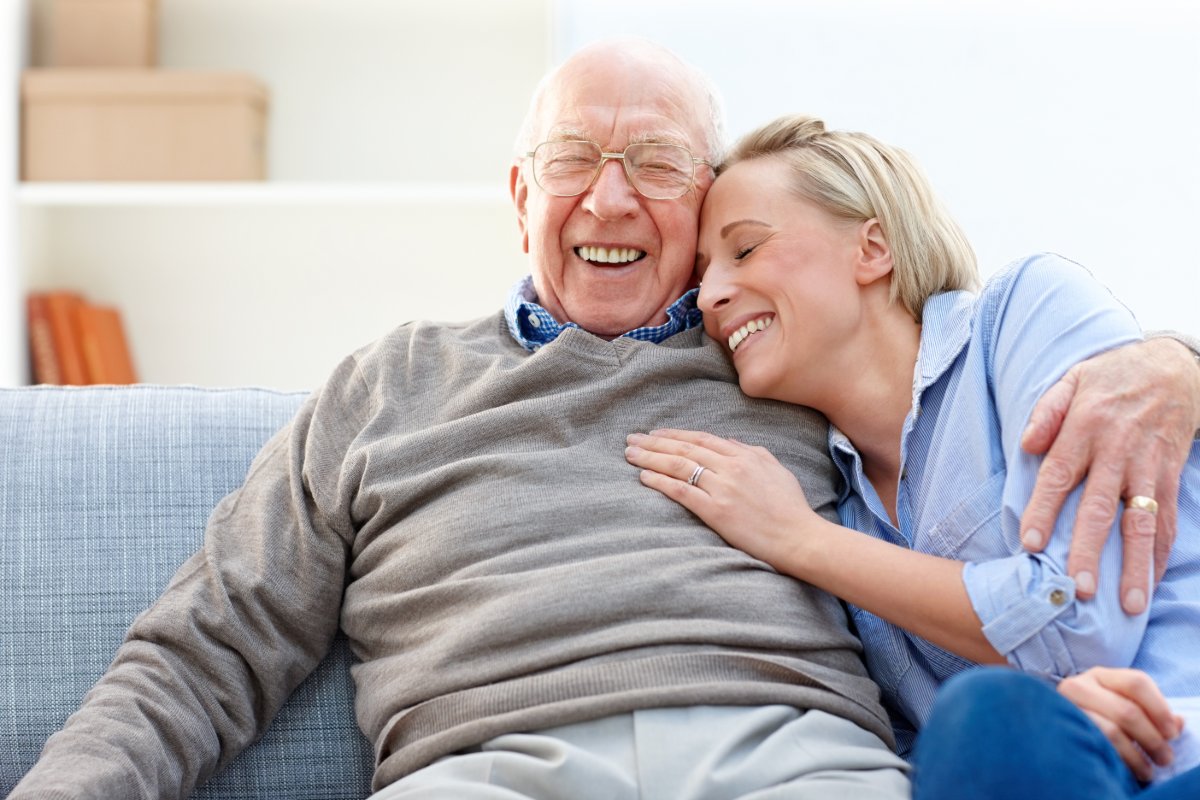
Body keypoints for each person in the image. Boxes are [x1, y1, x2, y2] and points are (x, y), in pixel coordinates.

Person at [12, 41, 1200, 799]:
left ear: (705, 206)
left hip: (794, 758)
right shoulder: (385, 386)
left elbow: (977, 569)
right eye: (574, 158)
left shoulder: (781, 371)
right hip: (485, 762)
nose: (612, 193)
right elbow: (209, 643)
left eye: (659, 164)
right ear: (521, 198)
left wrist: (1174, 358)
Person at [623, 113, 1200, 797]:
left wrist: (796, 539)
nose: (713, 297)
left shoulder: (1020, 317)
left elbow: (1076, 622)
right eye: (702, 278)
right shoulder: (834, 499)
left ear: (873, 248)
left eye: (744, 250)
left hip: (1180, 755)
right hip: (1042, 775)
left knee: (986, 713)